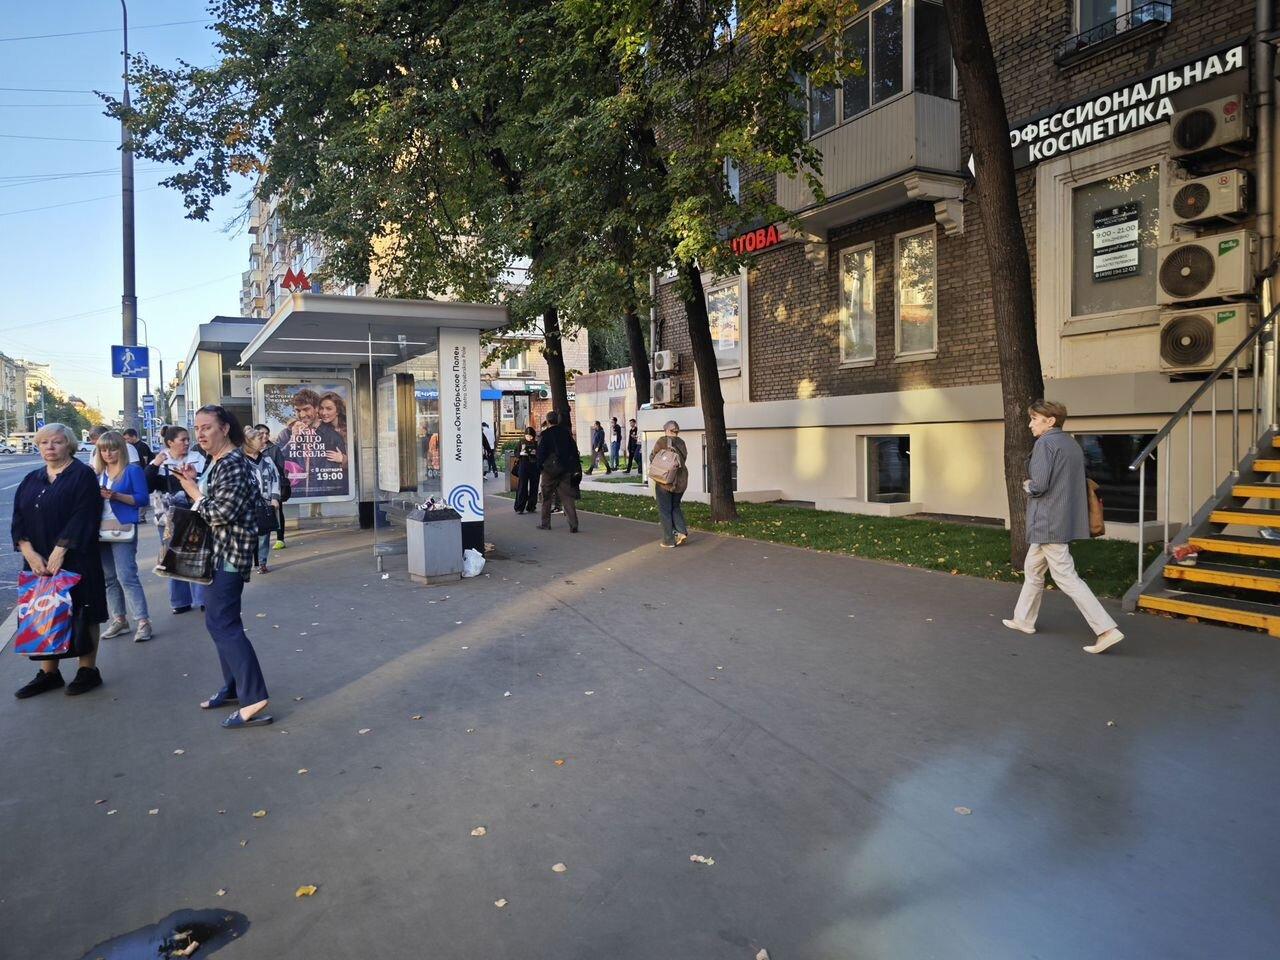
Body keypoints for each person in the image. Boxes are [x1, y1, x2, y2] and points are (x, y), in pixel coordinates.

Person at [175, 405, 272, 727]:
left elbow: (220, 513)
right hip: (215, 554)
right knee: (218, 622)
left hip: (229, 555)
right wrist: (194, 483)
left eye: (207, 427)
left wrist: (192, 491)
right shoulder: (216, 462)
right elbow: (213, 503)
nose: (200, 434)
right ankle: (233, 686)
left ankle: (254, 697)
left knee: (223, 624)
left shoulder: (232, 463)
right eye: (197, 428)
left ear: (225, 428)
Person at [1004, 400, 1125, 655]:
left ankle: (1106, 630)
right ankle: (1023, 619)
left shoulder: (1045, 444)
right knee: (1033, 569)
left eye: (1034, 419)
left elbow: (1039, 485)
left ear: (1050, 421)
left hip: (1048, 521)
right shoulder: (1070, 443)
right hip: (1061, 518)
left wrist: (1027, 485)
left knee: (1066, 577)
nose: (1030, 424)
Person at [12, 423, 109, 698]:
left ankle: (87, 670)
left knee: (83, 611)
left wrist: (60, 549)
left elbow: (85, 514)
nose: (50, 447)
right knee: (44, 612)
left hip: (76, 556)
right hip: (38, 560)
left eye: (56, 442)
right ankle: (49, 673)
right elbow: (18, 518)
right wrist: (29, 552)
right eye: (44, 443)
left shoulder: (82, 474)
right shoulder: (32, 478)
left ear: (69, 445)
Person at [94, 431, 154, 642]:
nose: (108, 453)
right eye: (103, 450)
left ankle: (143, 622)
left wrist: (115, 496)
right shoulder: (97, 473)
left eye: (112, 449)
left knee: (127, 576)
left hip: (123, 527)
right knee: (109, 578)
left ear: (121, 449)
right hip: (100, 529)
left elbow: (143, 499)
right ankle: (119, 620)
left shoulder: (132, 470)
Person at [146, 425, 208, 614]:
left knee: (196, 554)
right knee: (172, 555)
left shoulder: (197, 458)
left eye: (188, 439)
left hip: (193, 512)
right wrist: (154, 465)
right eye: (183, 439)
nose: (187, 443)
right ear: (170, 442)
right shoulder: (160, 461)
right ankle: (180, 602)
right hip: (167, 517)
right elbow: (146, 485)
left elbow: (205, 483)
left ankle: (202, 599)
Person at [242, 430, 281, 575]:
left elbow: (276, 479)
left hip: (265, 504)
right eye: (260, 438)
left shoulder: (267, 460)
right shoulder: (240, 461)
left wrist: (275, 498)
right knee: (247, 535)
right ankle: (246, 562)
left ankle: (261, 562)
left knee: (264, 535)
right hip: (246, 505)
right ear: (250, 442)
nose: (264, 440)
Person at [537, 410, 581, 532]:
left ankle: (545, 524)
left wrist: (540, 467)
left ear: (547, 421)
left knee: (546, 498)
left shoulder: (545, 435)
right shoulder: (566, 433)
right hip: (565, 469)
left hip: (549, 471)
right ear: (558, 420)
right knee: (567, 498)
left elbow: (541, 453)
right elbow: (574, 450)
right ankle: (573, 524)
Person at [650, 420, 690, 548]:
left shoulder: (662, 441)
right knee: (675, 506)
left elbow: (653, 457)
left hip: (665, 481)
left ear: (667, 430)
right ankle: (681, 532)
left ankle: (668, 540)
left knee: (665, 510)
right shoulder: (682, 443)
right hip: (681, 480)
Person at [256, 423, 290, 551]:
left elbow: (280, 468)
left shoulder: (274, 449)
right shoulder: (251, 448)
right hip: (258, 487)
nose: (265, 436)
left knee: (277, 511)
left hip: (273, 486)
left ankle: (280, 539)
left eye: (267, 433)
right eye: (262, 433)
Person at [513, 426, 540, 514]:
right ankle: (519, 507)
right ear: (525, 435)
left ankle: (531, 506)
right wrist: (521, 453)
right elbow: (516, 452)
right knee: (522, 486)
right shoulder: (521, 442)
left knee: (534, 487)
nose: (529, 438)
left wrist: (535, 453)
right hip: (523, 465)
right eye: (527, 436)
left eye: (531, 436)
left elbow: (540, 454)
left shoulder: (536, 443)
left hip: (534, 466)